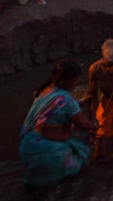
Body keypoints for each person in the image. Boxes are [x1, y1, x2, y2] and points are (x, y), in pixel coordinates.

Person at [19, 60, 95, 190]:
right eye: (74, 80)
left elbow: (59, 108)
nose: (76, 83)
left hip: (27, 146)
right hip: (46, 152)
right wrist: (95, 124)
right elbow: (83, 124)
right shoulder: (67, 101)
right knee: (81, 134)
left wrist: (81, 102)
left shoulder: (45, 90)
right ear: (63, 81)